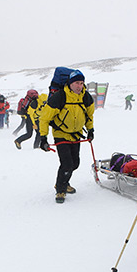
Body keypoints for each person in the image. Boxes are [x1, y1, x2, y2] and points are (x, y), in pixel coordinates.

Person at [38, 70, 95, 203]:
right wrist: (43, 138)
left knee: (75, 163)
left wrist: (90, 130)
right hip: (61, 134)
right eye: (76, 83)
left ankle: (64, 182)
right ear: (70, 83)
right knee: (67, 163)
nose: (79, 86)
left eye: (81, 83)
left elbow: (89, 116)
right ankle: (60, 190)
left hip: (76, 135)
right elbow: (44, 118)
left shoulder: (86, 97)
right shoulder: (60, 97)